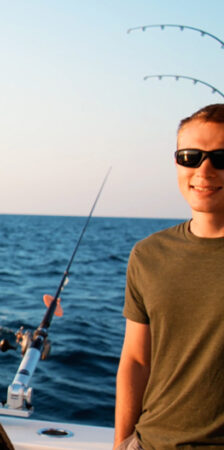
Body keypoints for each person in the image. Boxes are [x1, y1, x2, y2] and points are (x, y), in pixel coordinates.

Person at [114, 103, 224, 450]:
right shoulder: (147, 255)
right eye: (190, 156)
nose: (204, 171)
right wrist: (121, 443)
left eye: (222, 157)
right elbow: (135, 360)